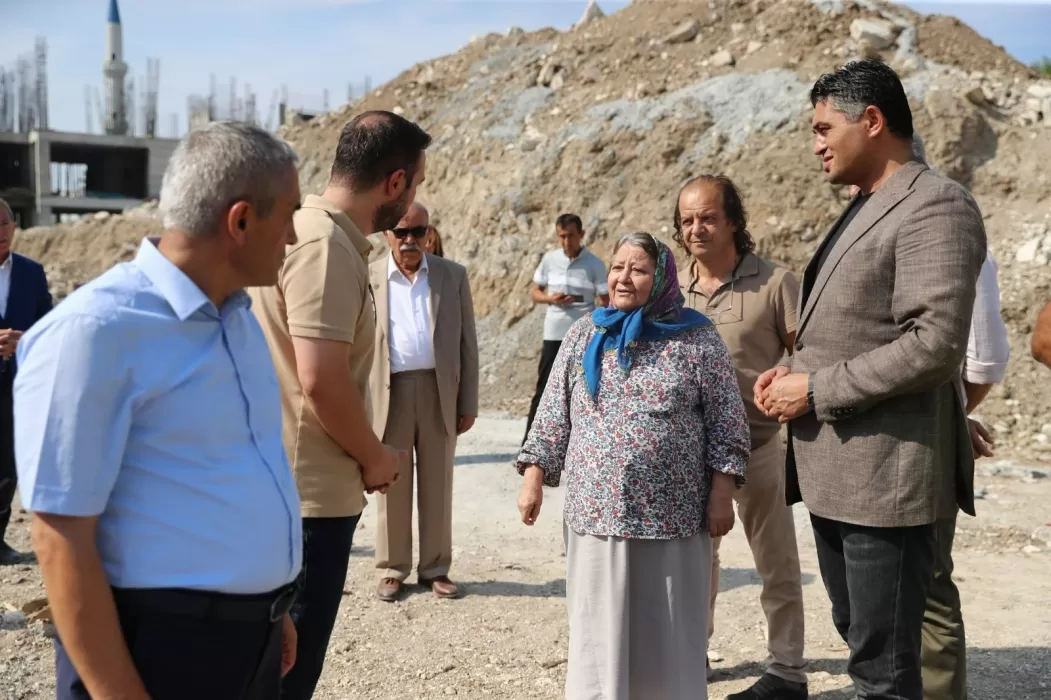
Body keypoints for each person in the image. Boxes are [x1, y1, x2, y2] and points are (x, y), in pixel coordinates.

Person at [14, 121, 303, 700]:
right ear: (240, 220)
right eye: (289, 214)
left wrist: (270, 610)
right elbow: (58, 534)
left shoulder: (239, 320)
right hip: (157, 651)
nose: (294, 236)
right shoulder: (94, 332)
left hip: (250, 641)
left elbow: (229, 473)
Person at [756, 59, 987, 700]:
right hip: (840, 476)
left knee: (883, 670)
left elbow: (934, 345)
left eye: (824, 127)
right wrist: (794, 371)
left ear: (873, 120)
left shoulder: (936, 205)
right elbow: (851, 328)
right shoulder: (866, 207)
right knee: (863, 644)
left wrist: (816, 390)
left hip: (886, 482)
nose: (816, 144)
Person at [516, 232, 750, 700]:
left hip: (674, 519)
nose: (623, 277)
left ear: (661, 278)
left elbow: (728, 420)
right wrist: (534, 478)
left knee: (666, 628)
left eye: (638, 269)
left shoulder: (697, 337)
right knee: (599, 628)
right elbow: (552, 412)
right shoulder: (586, 332)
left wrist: (722, 492)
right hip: (596, 515)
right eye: (618, 266)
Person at [248, 110, 431, 700]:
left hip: (283, 486)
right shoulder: (325, 246)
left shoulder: (303, 229)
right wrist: (375, 458)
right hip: (308, 499)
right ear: (396, 183)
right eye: (416, 186)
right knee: (285, 676)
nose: (410, 209)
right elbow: (322, 379)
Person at [861, 132, 1009, 700]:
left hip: (918, 443)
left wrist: (946, 414)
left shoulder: (949, 232)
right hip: (879, 439)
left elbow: (984, 358)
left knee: (928, 587)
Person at [675, 175, 808, 700]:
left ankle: (788, 669)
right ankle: (691, 656)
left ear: (733, 220)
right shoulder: (672, 289)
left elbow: (808, 352)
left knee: (775, 562)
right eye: (687, 220)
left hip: (757, 447)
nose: (696, 228)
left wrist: (786, 379)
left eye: (707, 217)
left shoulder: (776, 283)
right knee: (692, 565)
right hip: (688, 457)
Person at [368, 201, 479, 601]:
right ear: (387, 235)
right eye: (401, 232)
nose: (410, 240)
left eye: (418, 231)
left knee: (438, 481)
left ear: (429, 233)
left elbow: (468, 344)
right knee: (390, 482)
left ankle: (435, 568)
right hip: (389, 392)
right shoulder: (368, 278)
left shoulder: (452, 276)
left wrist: (468, 401)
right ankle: (393, 568)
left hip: (438, 392)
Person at [522, 214, 609, 444]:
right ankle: (529, 445)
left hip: (584, 336)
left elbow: (607, 301)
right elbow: (534, 292)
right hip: (554, 333)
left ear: (581, 234)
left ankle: (579, 448)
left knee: (584, 389)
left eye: (570, 235)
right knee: (544, 389)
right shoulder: (550, 260)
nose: (566, 241)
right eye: (561, 236)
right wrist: (551, 298)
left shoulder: (595, 264)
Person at [0, 197, 52, 565]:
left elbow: (47, 324)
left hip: (18, 384)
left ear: (14, 226)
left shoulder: (31, 273)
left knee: (8, 466)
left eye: (4, 224)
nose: (0, 233)